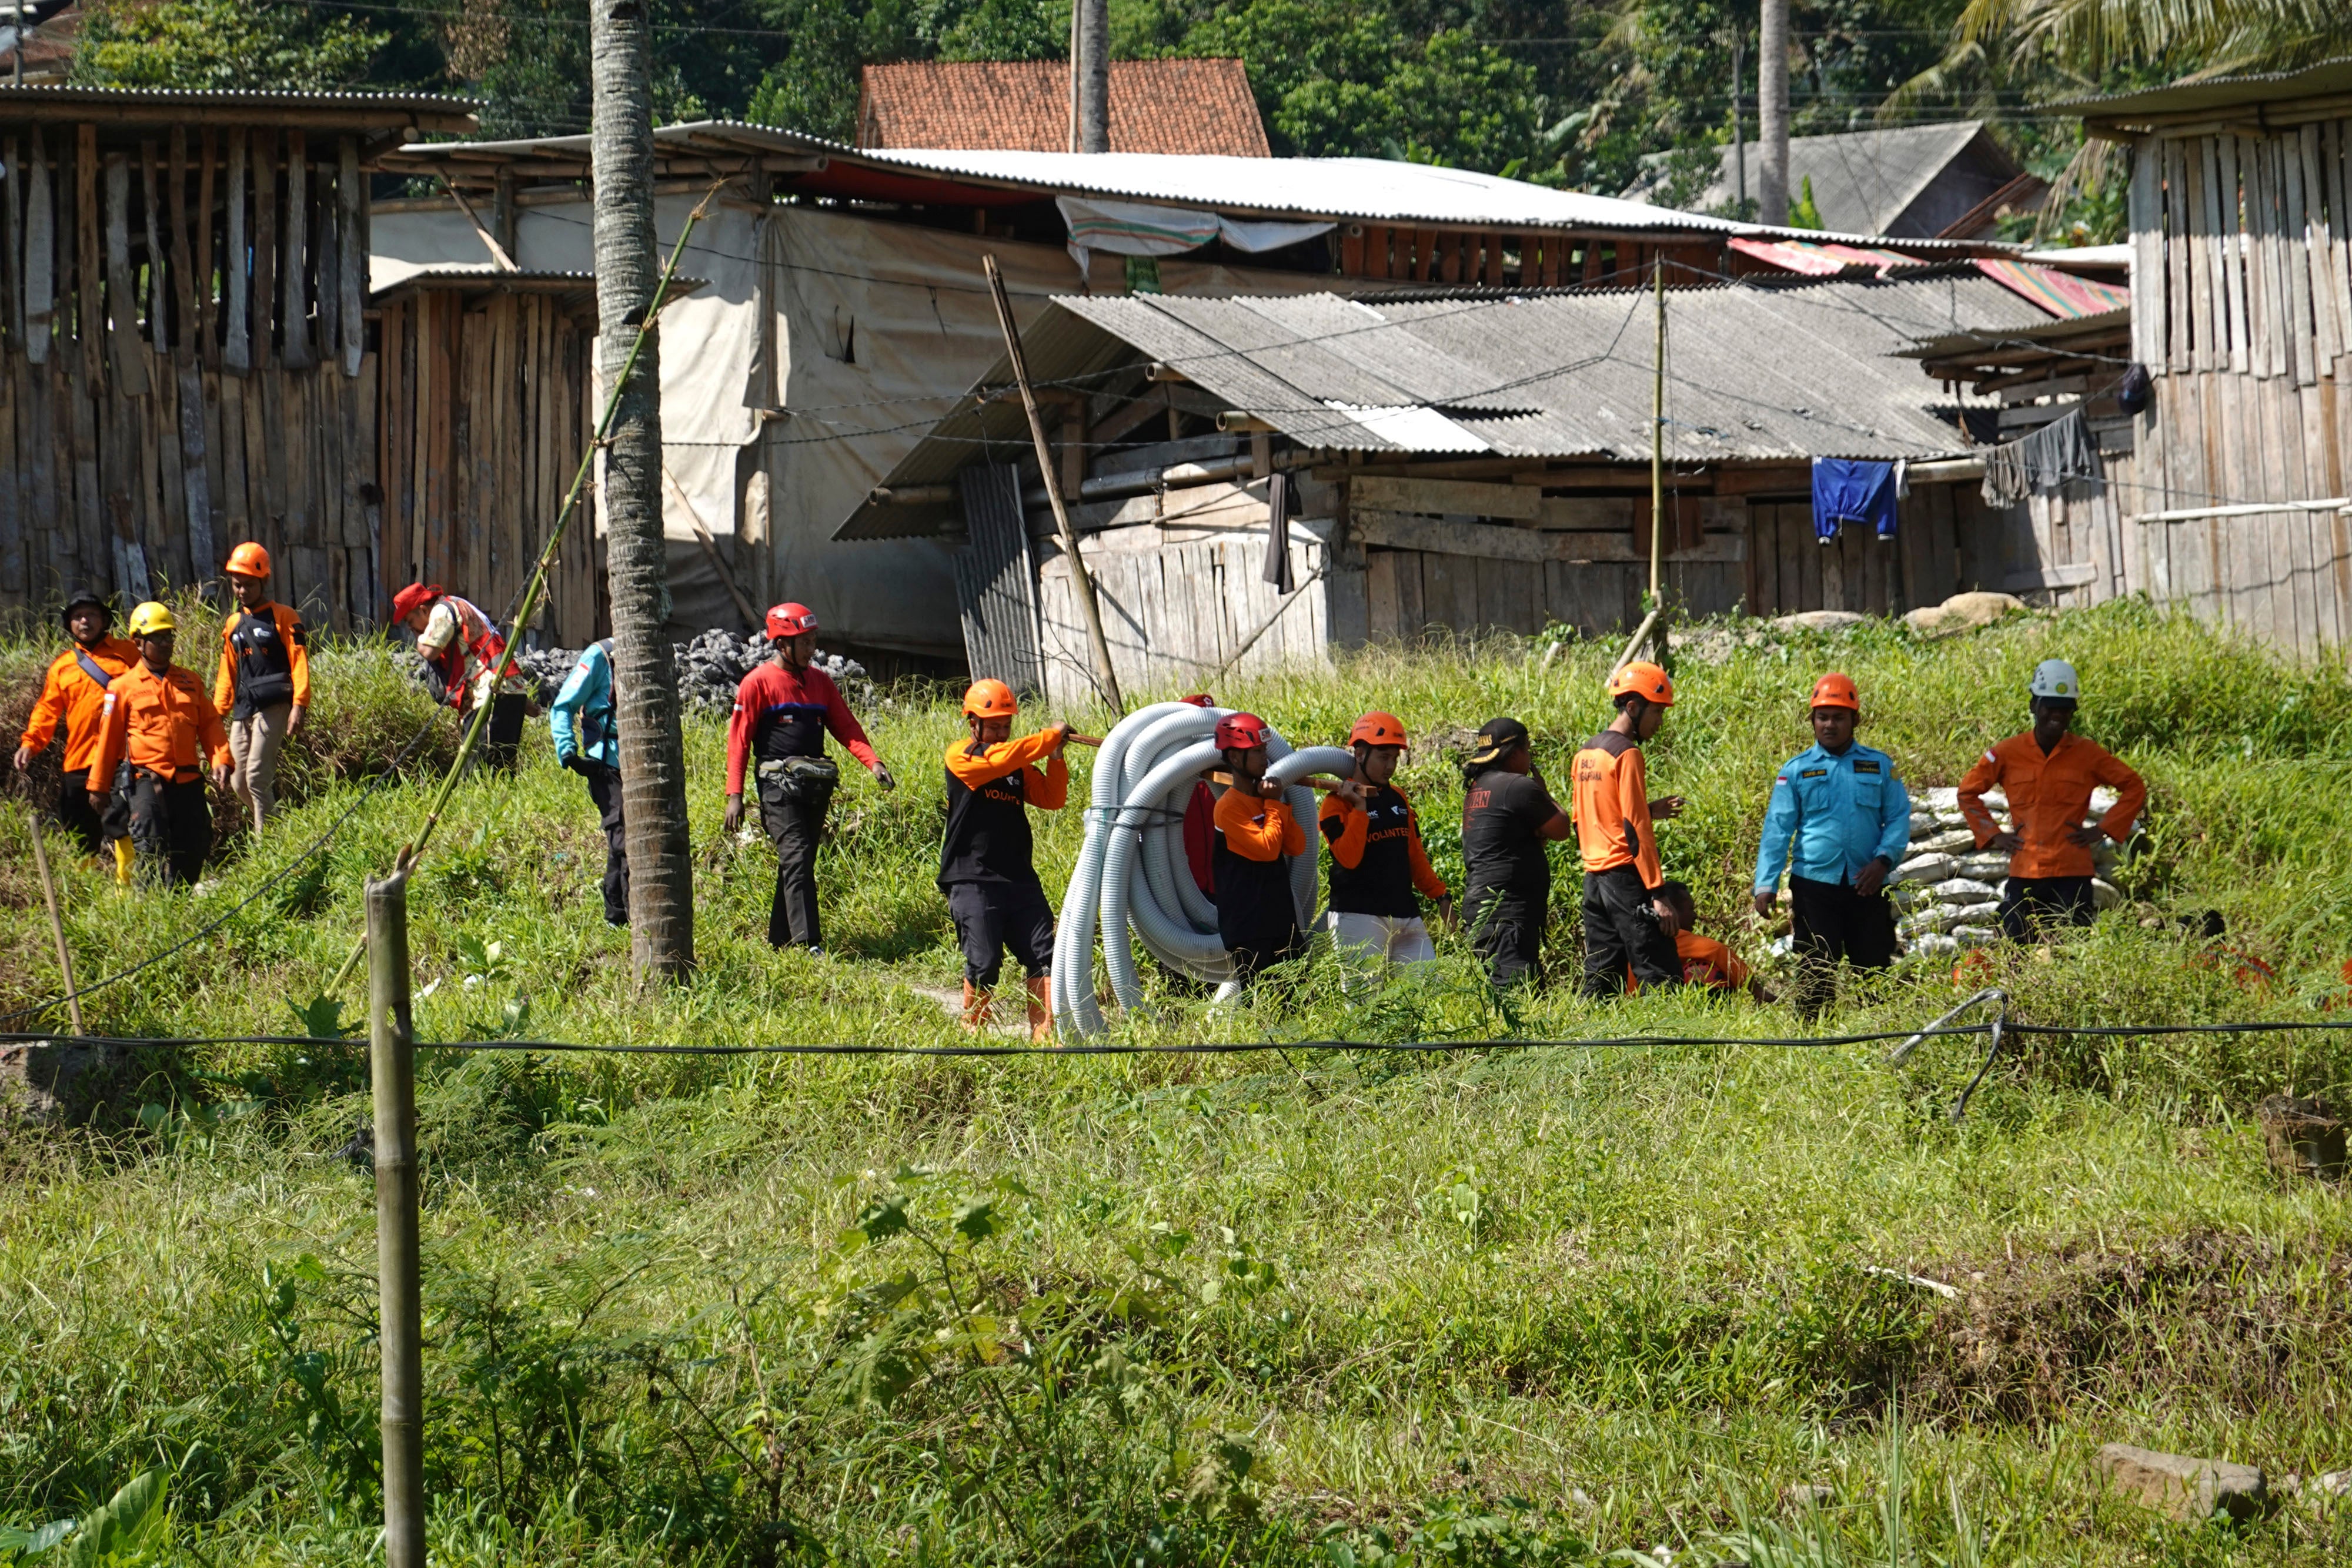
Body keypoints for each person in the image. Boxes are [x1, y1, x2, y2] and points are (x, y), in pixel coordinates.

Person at [724, 601, 896, 954]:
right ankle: (809, 944)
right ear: (781, 645)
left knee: (797, 862)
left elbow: (847, 728)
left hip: (814, 786)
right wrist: (735, 795)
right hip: (777, 787)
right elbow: (739, 740)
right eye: (803, 641)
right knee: (798, 856)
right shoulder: (757, 684)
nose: (811, 648)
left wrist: (874, 763)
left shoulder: (820, 682)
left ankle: (779, 941)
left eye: (813, 639)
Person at [1752, 672, 1911, 1018]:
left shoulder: (1880, 766)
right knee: (1815, 968)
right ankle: (1813, 1038)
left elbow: (1898, 817)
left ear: (1856, 720)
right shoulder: (1796, 771)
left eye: (1839, 717)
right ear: (1812, 720)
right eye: (1822, 717)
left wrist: (1884, 860)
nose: (1829, 725)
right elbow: (1777, 830)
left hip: (1867, 886)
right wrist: (1765, 884)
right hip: (1814, 887)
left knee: (1874, 969)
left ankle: (1876, 1036)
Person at [1959, 658, 2147, 941]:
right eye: (2050, 707)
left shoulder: (2088, 754)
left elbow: (2134, 786)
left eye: (2065, 710)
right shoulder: (2007, 753)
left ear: (2073, 713)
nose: (2056, 716)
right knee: (2017, 946)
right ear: (2034, 706)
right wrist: (1995, 835)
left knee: (2070, 946)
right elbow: (1967, 792)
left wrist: (2102, 829)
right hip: (2025, 870)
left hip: (2072, 871)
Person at [938, 678, 1070, 1038]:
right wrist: (1047, 738)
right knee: (984, 963)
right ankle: (973, 1040)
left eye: (1006, 726)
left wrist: (1055, 756)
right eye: (994, 726)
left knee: (1045, 957)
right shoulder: (961, 757)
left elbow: (1052, 798)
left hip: (1019, 880)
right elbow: (1002, 758)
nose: (1001, 733)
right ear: (973, 723)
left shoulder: (1016, 765)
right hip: (972, 879)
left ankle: (1044, 1044)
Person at [85, 602, 232, 888]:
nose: (166, 644)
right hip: (147, 780)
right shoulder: (122, 688)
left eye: (169, 637)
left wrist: (221, 760)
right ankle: (150, 909)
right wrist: (98, 786)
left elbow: (210, 724)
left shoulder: (190, 681)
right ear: (138, 642)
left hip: (188, 779)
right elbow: (109, 740)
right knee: (149, 845)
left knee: (196, 842)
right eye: (157, 638)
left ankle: (176, 904)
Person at [1569, 661, 1685, 998]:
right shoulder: (1628, 754)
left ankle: (1589, 1042)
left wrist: (1650, 811)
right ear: (1633, 707)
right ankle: (1672, 1046)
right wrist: (1659, 893)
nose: (1660, 723)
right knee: (1661, 972)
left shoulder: (1586, 753)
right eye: (1657, 713)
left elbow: (1586, 820)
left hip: (1594, 880)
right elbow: (1634, 829)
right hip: (1625, 877)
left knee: (1602, 976)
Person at [1319, 710, 1451, 987]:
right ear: (1359, 755)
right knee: (1364, 1005)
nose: (1390, 766)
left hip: (1405, 915)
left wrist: (1439, 894)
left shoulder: (1398, 796)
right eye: (1383, 758)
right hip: (1358, 916)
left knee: (1427, 992)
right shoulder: (1335, 805)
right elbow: (1349, 859)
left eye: (1394, 758)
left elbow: (1413, 852)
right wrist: (1359, 809)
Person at [14, 588, 138, 868]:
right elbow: (47, 709)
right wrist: (30, 743)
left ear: (104, 621)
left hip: (122, 757)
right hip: (80, 760)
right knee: (80, 830)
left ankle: (127, 896)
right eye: (78, 616)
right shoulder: (63, 667)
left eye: (92, 615)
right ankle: (87, 890)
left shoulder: (128, 654)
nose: (85, 622)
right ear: (70, 625)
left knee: (121, 822)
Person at [1457, 717, 1571, 987]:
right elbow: (1561, 828)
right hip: (1506, 915)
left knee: (1523, 994)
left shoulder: (1479, 788)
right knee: (1518, 997)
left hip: (1487, 910)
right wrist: (1543, 791)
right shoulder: (1518, 786)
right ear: (1516, 752)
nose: (1529, 757)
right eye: (1528, 749)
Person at [212, 542, 311, 837]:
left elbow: (299, 661)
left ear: (264, 581)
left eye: (249, 585)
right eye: (237, 585)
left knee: (256, 777)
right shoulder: (232, 624)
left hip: (275, 705)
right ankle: (280, 830)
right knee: (238, 782)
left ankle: (266, 847)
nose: (242, 591)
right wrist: (217, 715)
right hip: (244, 708)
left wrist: (299, 704)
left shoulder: (284, 616)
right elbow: (226, 673)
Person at [1210, 711, 1307, 986]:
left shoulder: (1267, 801)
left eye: (1264, 750)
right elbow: (1267, 849)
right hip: (1250, 930)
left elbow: (1297, 846)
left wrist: (1275, 805)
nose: (1265, 757)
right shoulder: (1229, 807)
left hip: (1281, 923)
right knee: (1266, 1007)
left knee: (1299, 1003)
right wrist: (1275, 805)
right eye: (1257, 752)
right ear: (1235, 758)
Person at [391, 583, 529, 768]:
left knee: (479, 777)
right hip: (508, 693)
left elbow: (430, 650)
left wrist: (419, 638)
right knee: (501, 772)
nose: (411, 628)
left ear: (423, 610)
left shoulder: (442, 611)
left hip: (488, 698)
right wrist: (526, 704)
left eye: (410, 622)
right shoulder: (462, 605)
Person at [548, 637, 628, 927]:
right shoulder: (600, 656)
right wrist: (568, 752)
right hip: (605, 762)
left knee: (623, 841)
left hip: (641, 764)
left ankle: (617, 916)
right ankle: (626, 915)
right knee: (623, 838)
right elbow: (562, 706)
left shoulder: (651, 648)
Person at [1633, 881, 1773, 1002]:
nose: (1695, 916)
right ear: (1672, 911)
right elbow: (1718, 951)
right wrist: (1755, 988)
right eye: (1691, 909)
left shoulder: (1638, 934)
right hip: (1641, 1002)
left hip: (1628, 1002)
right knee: (1703, 972)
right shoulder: (1671, 936)